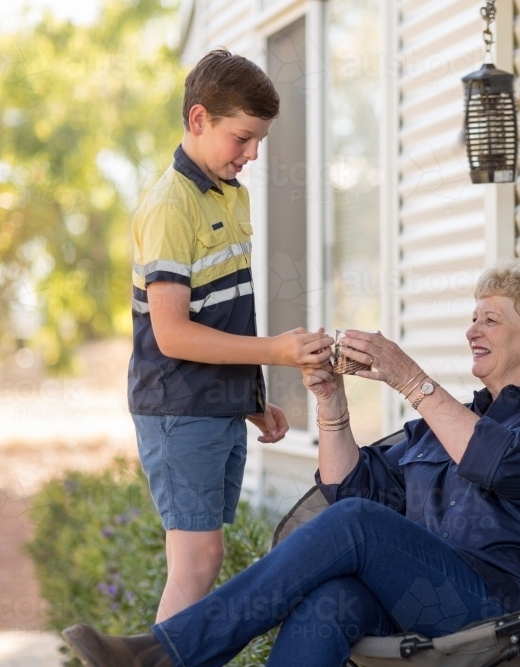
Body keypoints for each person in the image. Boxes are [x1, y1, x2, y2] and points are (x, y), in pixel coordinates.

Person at [64, 258, 520, 667]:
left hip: (502, 613)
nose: (472, 330)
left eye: (490, 320)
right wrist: (330, 400)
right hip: (426, 598)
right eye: (472, 318)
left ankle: (166, 655)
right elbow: (352, 491)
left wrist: (409, 380)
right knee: (334, 599)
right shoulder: (448, 425)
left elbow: (496, 463)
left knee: (359, 529)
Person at [128, 49, 335, 623]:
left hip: (216, 404)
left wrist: (254, 400)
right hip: (178, 407)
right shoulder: (171, 205)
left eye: (259, 140)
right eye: (242, 138)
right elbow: (172, 335)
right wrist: (278, 352)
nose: (253, 154)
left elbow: (224, 316)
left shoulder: (229, 195)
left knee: (204, 557)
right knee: (195, 562)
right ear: (199, 120)